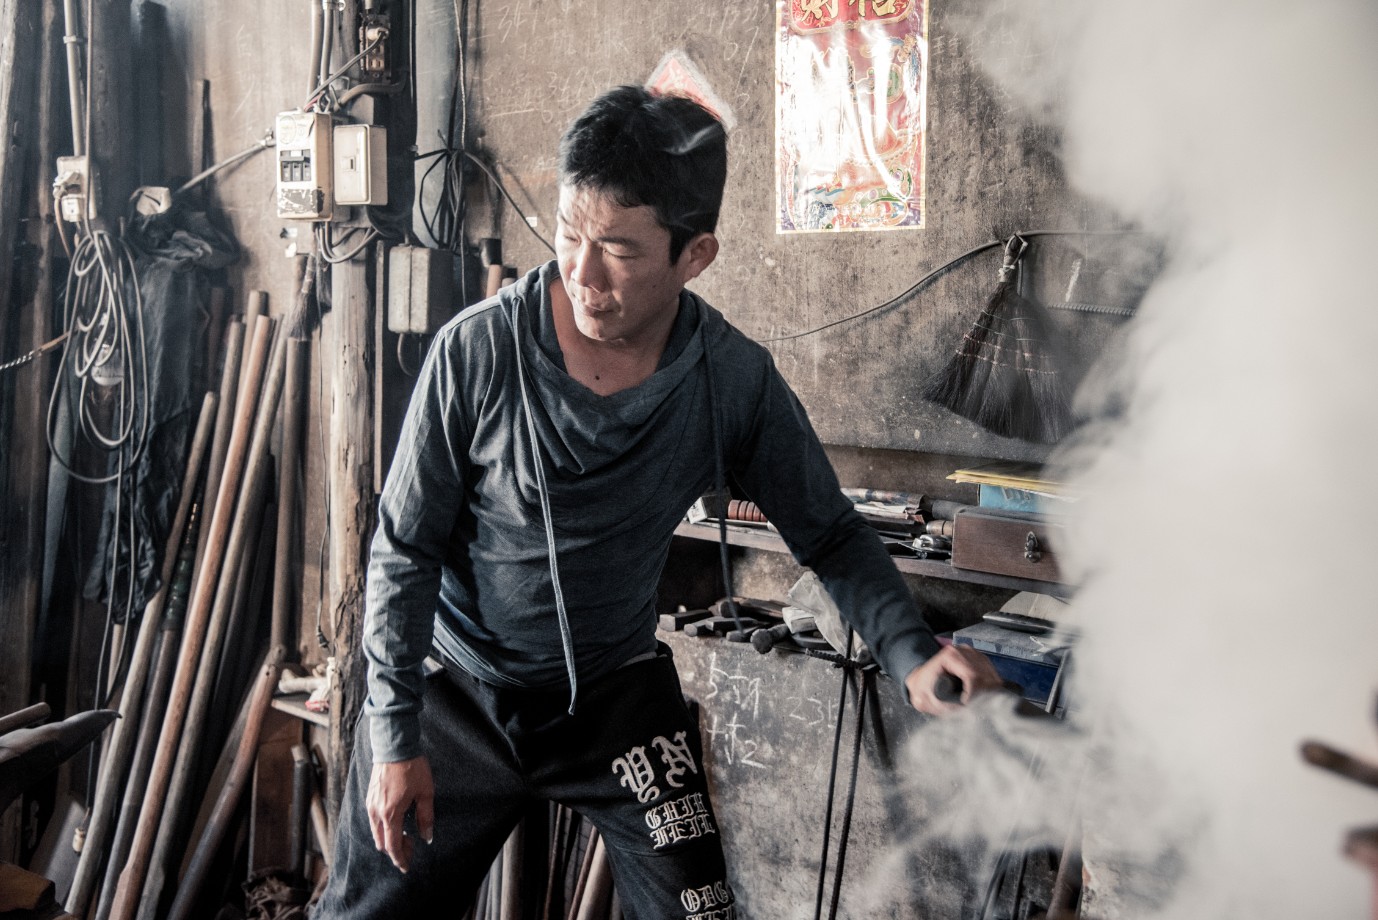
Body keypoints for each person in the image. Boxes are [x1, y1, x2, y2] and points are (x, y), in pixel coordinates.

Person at [312, 84, 1000, 919]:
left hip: (613, 696)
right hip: (458, 689)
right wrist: (393, 732)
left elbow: (830, 533)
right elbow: (404, 549)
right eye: (569, 235)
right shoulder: (479, 352)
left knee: (698, 911)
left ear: (694, 256)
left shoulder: (732, 380)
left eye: (619, 251)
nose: (583, 273)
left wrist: (912, 651)